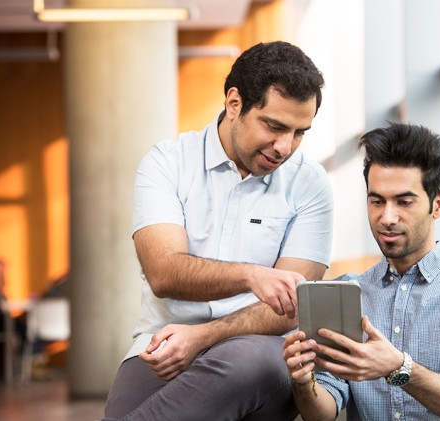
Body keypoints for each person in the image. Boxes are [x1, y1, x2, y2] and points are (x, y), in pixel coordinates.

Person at [104, 41, 333, 420]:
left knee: (246, 360)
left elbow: (292, 309)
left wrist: (203, 337)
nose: (284, 147)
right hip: (164, 341)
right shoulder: (167, 164)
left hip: (260, 352)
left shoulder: (310, 184)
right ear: (234, 103)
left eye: (298, 133)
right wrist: (251, 276)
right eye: (274, 126)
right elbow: (163, 273)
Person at [283, 123, 440, 421]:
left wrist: (398, 367)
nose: (387, 217)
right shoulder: (349, 293)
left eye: (404, 202)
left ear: (439, 204)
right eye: (376, 201)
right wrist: (303, 382)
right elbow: (322, 413)